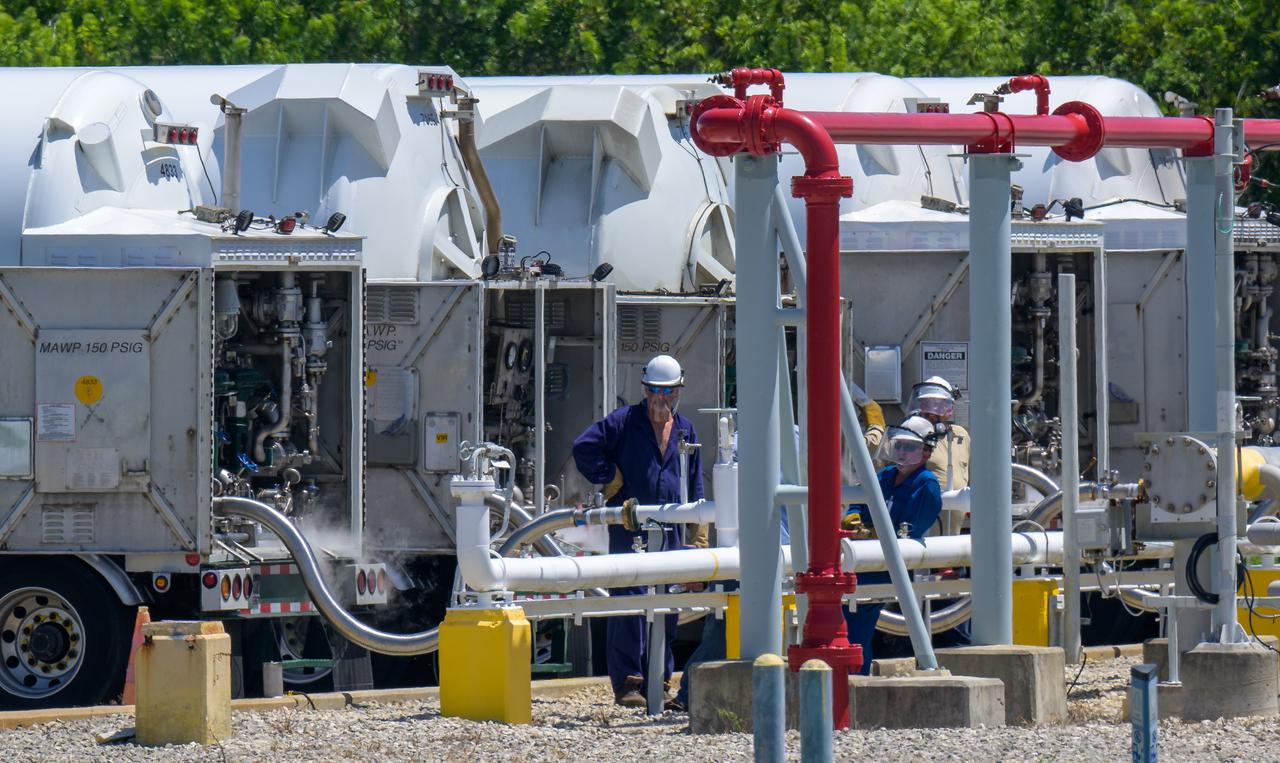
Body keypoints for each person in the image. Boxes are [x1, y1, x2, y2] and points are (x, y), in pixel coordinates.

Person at [573, 354, 702, 708]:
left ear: (679, 391)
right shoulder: (623, 422)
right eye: (655, 391)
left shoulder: (685, 430)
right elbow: (583, 447)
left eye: (669, 392)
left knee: (668, 606)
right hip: (631, 528)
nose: (662, 399)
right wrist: (609, 477)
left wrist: (699, 538)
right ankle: (629, 683)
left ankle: (659, 682)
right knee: (629, 602)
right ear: (645, 390)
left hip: (671, 530)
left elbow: (695, 481)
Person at [841, 415, 943, 675]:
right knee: (849, 623)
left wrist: (872, 533)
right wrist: (853, 517)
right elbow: (860, 499)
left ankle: (855, 679)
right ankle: (851, 678)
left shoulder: (927, 485)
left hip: (885, 568)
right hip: (863, 561)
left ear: (926, 452)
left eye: (910, 447)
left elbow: (910, 529)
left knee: (856, 628)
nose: (902, 452)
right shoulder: (886, 475)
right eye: (899, 445)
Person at [908, 376, 970, 491]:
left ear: (949, 409)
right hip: (927, 502)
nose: (932, 412)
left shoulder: (961, 435)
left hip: (961, 502)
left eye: (937, 405)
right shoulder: (911, 435)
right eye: (926, 404)